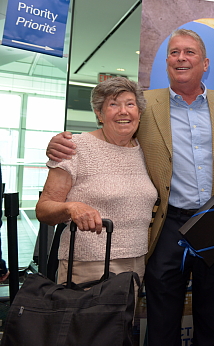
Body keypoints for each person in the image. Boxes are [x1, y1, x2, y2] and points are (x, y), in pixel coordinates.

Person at [46, 28, 214, 346]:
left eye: (189, 52)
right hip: (166, 225)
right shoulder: (145, 104)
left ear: (206, 62)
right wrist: (59, 144)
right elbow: (112, 130)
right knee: (161, 319)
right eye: (174, 52)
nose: (181, 58)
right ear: (167, 61)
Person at [37, 77, 157, 289]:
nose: (123, 111)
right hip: (87, 265)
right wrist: (71, 207)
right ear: (99, 114)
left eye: (130, 104)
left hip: (136, 262)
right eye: (113, 104)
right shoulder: (75, 147)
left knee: (123, 323)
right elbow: (44, 209)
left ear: (139, 113)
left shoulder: (145, 151)